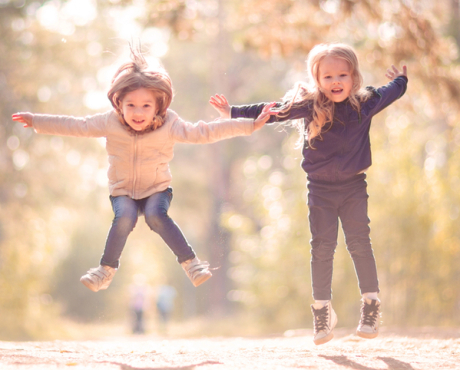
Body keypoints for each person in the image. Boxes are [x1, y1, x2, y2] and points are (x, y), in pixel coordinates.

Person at [12, 46, 276, 293]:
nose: (138, 113)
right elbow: (75, 125)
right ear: (119, 104)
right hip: (123, 191)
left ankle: (191, 263)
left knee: (155, 215)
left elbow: (204, 132)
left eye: (146, 106)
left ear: (158, 105)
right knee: (124, 216)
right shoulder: (109, 122)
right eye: (131, 106)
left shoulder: (170, 124)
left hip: (156, 190)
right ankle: (105, 270)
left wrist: (248, 125)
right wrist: (37, 121)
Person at [209, 43, 408, 345]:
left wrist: (401, 80)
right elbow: (271, 111)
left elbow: (392, 91)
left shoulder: (365, 103)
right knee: (322, 248)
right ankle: (322, 312)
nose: (336, 81)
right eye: (327, 76)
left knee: (359, 242)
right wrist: (232, 111)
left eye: (343, 74)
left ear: (354, 77)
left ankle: (370, 305)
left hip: (354, 187)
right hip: (320, 190)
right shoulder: (309, 105)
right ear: (317, 79)